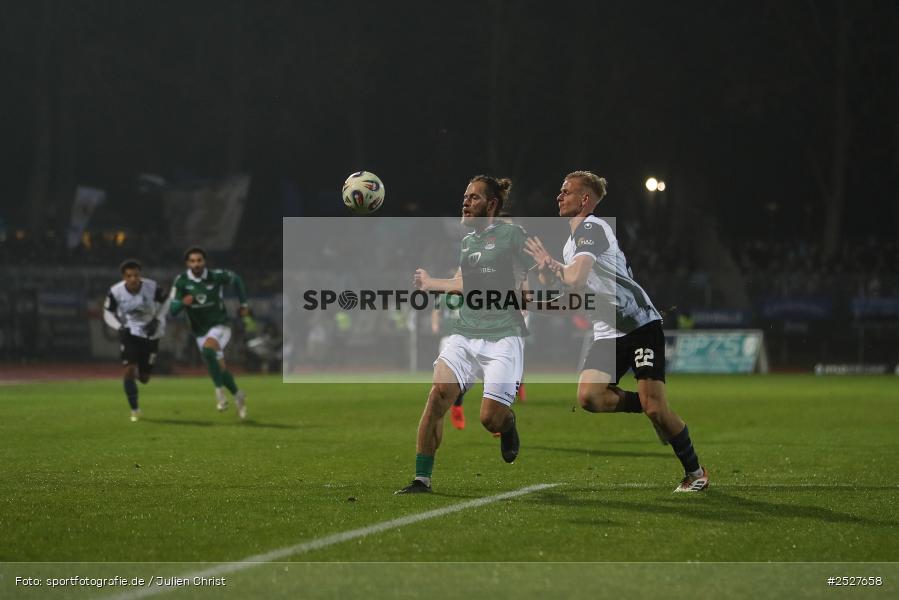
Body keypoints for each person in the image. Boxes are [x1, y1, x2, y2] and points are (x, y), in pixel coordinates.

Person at [525, 171, 709, 492]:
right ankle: (654, 409)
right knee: (590, 397)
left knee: (655, 407)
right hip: (608, 331)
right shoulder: (573, 245)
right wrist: (530, 303)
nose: (559, 196)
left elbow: (576, 279)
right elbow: (573, 296)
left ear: (585, 200)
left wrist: (550, 265)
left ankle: (695, 472)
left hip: (639, 323)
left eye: (566, 191)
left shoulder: (593, 228)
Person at [396, 175, 531, 494]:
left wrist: (433, 284)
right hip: (466, 333)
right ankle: (421, 478)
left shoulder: (513, 236)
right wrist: (441, 283)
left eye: (473, 197)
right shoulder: (469, 242)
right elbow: (463, 279)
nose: (465, 202)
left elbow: (522, 277)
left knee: (490, 419)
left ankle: (508, 423)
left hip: (502, 336)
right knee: (438, 394)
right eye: (465, 196)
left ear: (492, 204)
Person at [169, 247, 252, 420]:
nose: (196, 264)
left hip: (220, 325)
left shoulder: (216, 276)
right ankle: (238, 395)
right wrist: (183, 303)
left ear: (204, 261)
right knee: (220, 370)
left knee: (208, 350)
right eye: (192, 261)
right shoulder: (181, 281)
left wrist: (243, 304)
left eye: (199, 260)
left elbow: (236, 279)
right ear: (187, 263)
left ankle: (219, 394)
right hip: (199, 331)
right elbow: (173, 310)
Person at [103, 259, 168, 422]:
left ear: (140, 275)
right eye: (129, 276)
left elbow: (166, 302)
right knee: (129, 370)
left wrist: (157, 319)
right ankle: (135, 409)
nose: (133, 279)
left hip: (151, 334)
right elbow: (107, 312)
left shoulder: (152, 286)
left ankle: (140, 369)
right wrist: (119, 327)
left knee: (145, 379)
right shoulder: (115, 291)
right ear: (124, 277)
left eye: (136, 275)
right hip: (130, 332)